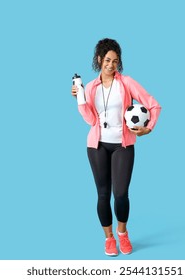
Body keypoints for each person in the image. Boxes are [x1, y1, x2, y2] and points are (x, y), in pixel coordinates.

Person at [71, 38, 161, 256]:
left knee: (120, 194)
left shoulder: (126, 82)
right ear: (100, 59)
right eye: (107, 60)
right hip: (97, 146)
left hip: (122, 144)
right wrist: (80, 98)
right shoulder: (91, 87)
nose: (111, 65)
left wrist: (148, 127)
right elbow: (90, 120)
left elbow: (153, 103)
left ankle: (122, 233)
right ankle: (109, 238)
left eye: (115, 61)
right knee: (102, 195)